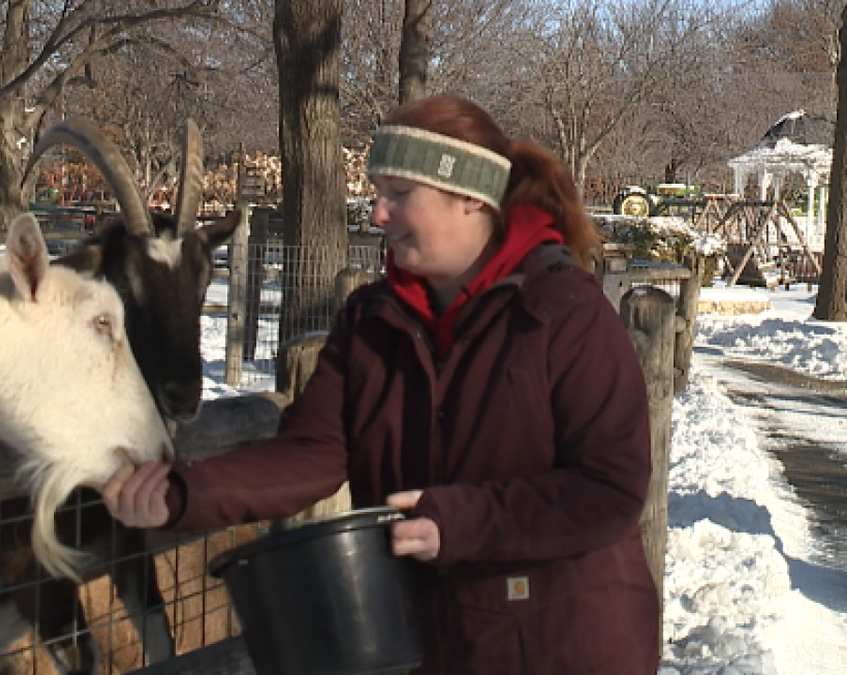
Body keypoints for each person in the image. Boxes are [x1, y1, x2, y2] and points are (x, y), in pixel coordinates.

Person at [102, 94, 660, 673]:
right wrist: (183, 493)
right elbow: (309, 456)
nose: (376, 214)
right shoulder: (372, 322)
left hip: (564, 649)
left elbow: (609, 490)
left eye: (398, 194)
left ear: (470, 196)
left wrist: (460, 521)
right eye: (378, 194)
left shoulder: (564, 314)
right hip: (429, 643)